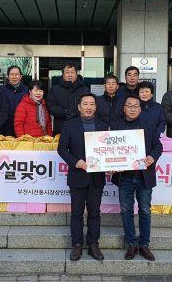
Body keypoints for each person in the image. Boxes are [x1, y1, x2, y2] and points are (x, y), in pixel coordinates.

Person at [57, 93, 108, 262]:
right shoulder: (69, 125)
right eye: (85, 104)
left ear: (96, 107)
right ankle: (77, 244)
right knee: (77, 213)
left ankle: (93, 244)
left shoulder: (103, 126)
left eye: (92, 104)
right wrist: (75, 162)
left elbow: (109, 150)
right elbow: (62, 148)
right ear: (79, 107)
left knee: (94, 212)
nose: (89, 107)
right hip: (77, 175)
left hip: (96, 177)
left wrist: (111, 164)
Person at [112, 95, 163, 262]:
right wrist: (110, 163)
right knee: (126, 210)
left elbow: (158, 146)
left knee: (145, 210)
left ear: (140, 109)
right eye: (129, 106)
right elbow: (109, 149)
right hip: (124, 176)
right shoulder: (116, 126)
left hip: (144, 176)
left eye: (136, 106)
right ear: (124, 108)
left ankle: (144, 245)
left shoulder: (149, 125)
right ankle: (131, 244)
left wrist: (152, 157)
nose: (132, 109)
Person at [47, 63, 89, 135]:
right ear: (63, 74)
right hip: (61, 127)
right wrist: (64, 112)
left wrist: (76, 113)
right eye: (67, 72)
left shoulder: (84, 89)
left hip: (80, 126)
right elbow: (50, 106)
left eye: (72, 72)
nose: (70, 75)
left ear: (76, 74)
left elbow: (88, 105)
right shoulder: (55, 89)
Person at [0, 65, 29, 136]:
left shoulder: (27, 90)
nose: (14, 77)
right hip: (5, 126)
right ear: (8, 76)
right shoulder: (1, 90)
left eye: (16, 74)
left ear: (20, 76)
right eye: (12, 74)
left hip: (22, 126)